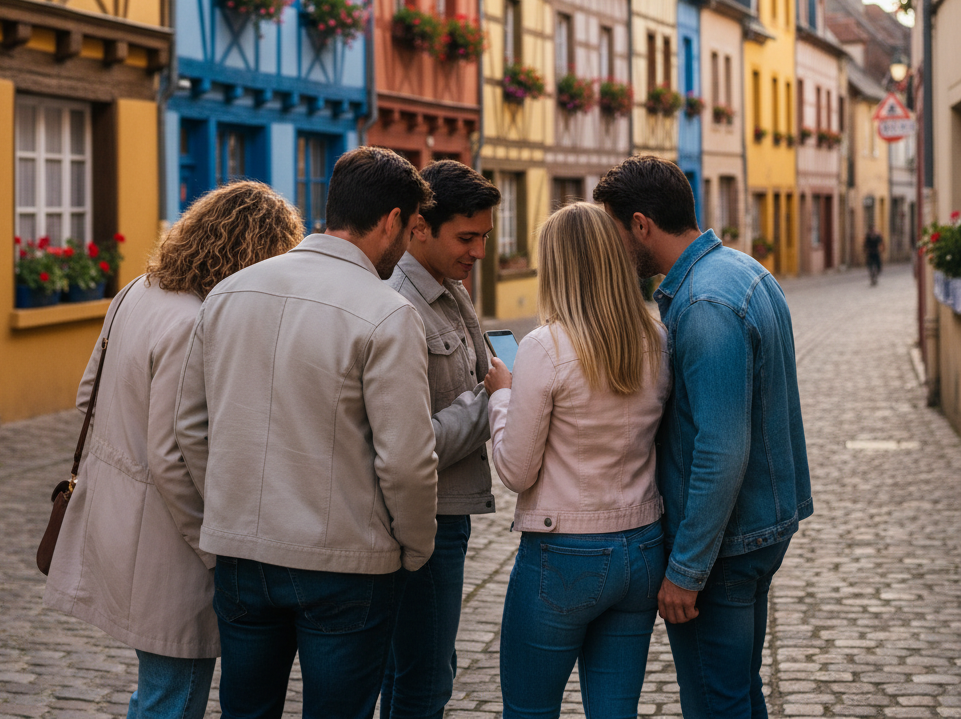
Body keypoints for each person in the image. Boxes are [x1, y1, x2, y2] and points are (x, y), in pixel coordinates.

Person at [175, 146, 439, 719]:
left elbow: (190, 429)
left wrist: (224, 511)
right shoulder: (386, 312)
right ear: (392, 220)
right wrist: (416, 546)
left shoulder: (229, 292)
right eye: (411, 227)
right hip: (348, 560)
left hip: (243, 552)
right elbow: (406, 461)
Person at [44, 181, 304, 719]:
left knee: (158, 687)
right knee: (174, 693)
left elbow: (87, 395)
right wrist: (215, 546)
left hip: (115, 516)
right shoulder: (194, 320)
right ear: (253, 255)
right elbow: (171, 456)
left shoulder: (137, 290)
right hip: (166, 539)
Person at [593, 156, 812, 719]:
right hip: (760, 528)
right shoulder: (742, 271)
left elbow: (720, 449)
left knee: (716, 700)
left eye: (613, 233)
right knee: (736, 688)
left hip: (725, 546)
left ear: (641, 225)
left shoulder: (705, 304)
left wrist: (685, 571)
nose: (611, 250)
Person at [483, 201, 671, 719]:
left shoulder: (547, 346)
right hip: (641, 547)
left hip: (564, 552)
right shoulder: (656, 337)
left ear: (557, 267)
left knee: (530, 709)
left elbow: (516, 469)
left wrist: (503, 395)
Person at [382, 160, 501, 719]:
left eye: (484, 237)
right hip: (422, 518)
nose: (478, 251)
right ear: (419, 227)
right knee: (424, 681)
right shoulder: (398, 303)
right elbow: (410, 441)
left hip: (448, 511)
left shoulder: (449, 286)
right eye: (467, 237)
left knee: (420, 667)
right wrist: (493, 400)